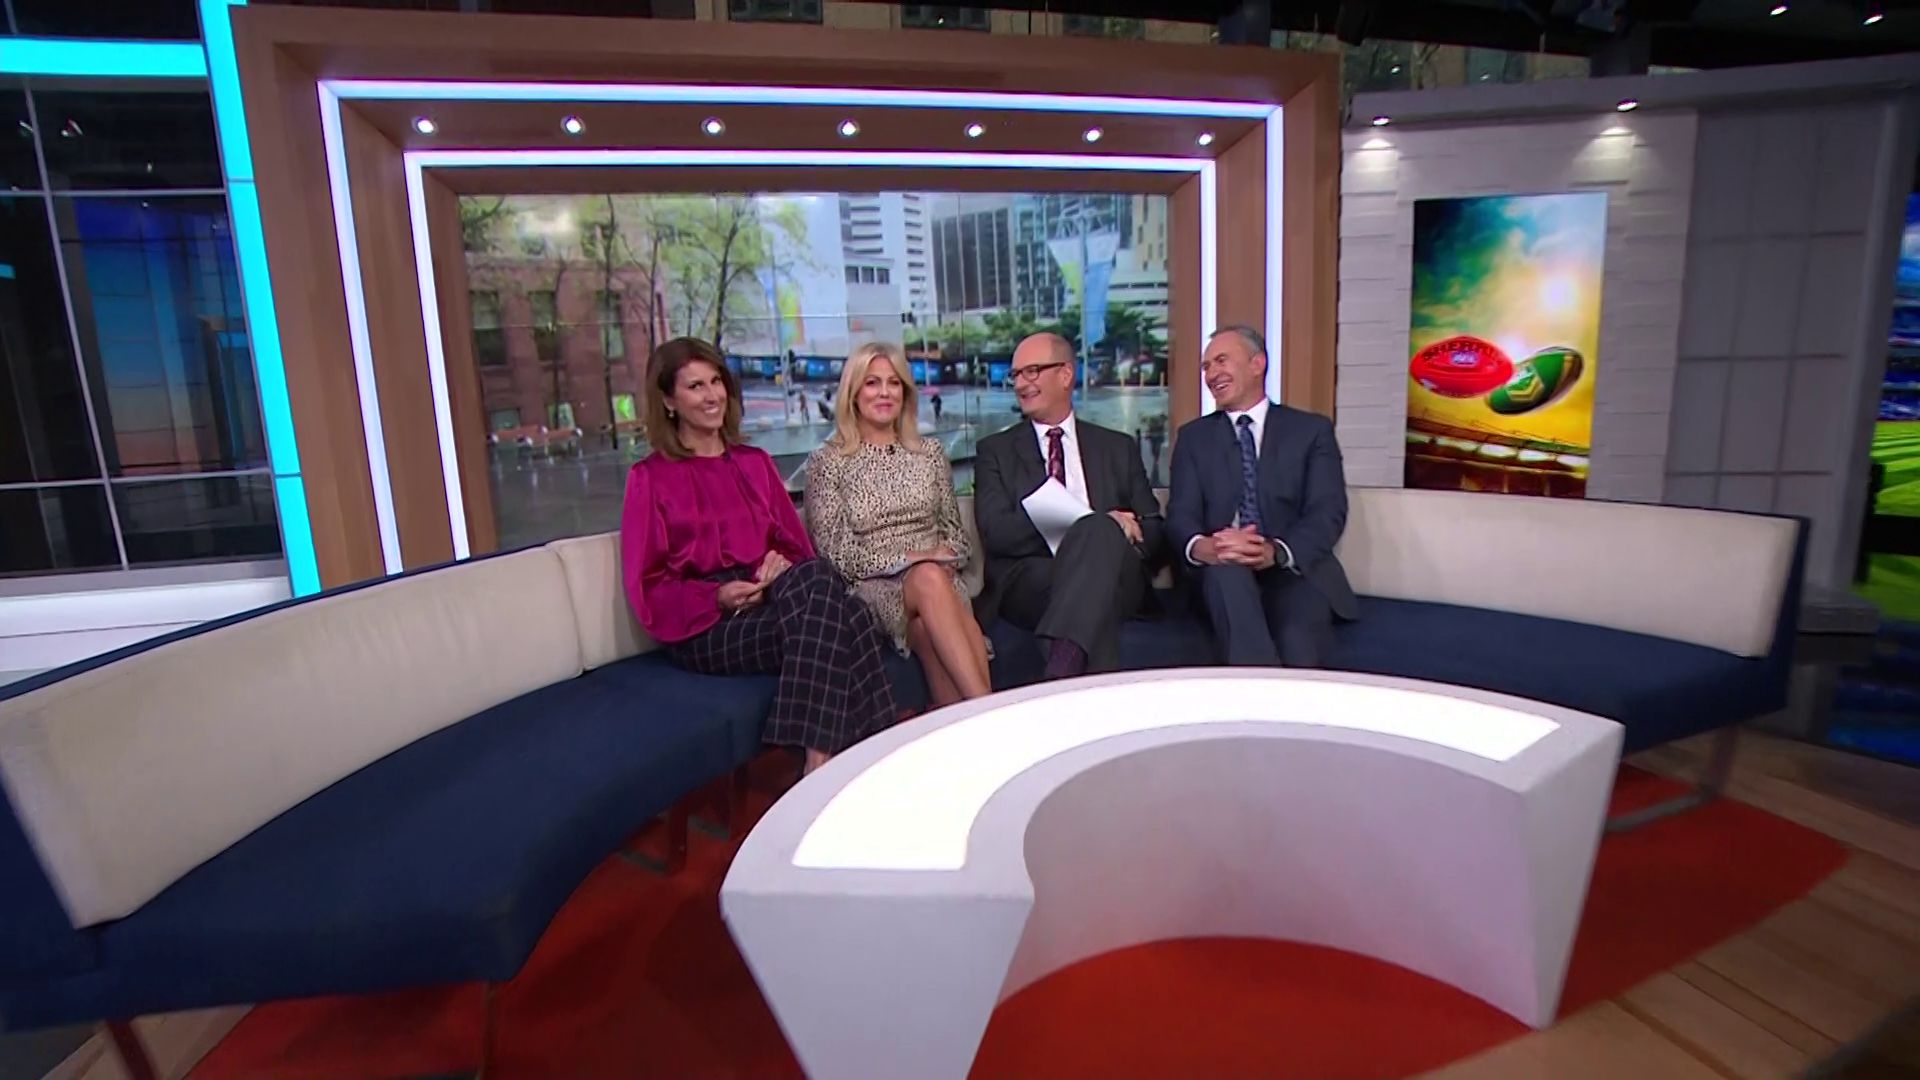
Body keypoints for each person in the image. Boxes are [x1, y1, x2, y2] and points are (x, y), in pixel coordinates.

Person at [620, 337, 897, 774]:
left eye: (716, 382)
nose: (711, 395)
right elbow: (648, 587)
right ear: (669, 401)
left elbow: (798, 550)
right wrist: (716, 596)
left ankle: (819, 762)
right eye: (695, 386)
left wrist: (780, 565)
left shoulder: (754, 463)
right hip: (706, 623)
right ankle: (852, 760)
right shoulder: (649, 478)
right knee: (852, 617)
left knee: (816, 577)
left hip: (774, 597)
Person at [805, 342, 994, 707]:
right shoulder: (828, 462)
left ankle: (968, 725)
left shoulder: (930, 454)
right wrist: (912, 559)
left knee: (926, 620)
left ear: (905, 392)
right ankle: (990, 708)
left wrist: (943, 558)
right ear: (853, 392)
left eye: (894, 383)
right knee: (928, 578)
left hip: (939, 585)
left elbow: (956, 536)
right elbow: (836, 554)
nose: (885, 392)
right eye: (872, 382)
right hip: (873, 587)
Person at [972, 333, 1165, 679]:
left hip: (1117, 576)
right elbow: (997, 532)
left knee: (1099, 545)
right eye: (1016, 375)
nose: (1021, 384)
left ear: (1065, 374)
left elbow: (1153, 531)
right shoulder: (995, 452)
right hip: (1031, 580)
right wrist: (1091, 523)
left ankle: (1062, 672)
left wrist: (1108, 535)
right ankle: (1068, 668)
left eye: (1032, 371)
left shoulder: (1117, 447)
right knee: (1098, 538)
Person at [1168, 325, 1357, 667]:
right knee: (1227, 573)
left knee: (1296, 639)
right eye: (1206, 367)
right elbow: (1181, 515)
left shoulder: (1311, 431)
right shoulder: (1194, 438)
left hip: (1293, 568)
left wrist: (1274, 551)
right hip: (1221, 569)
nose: (1211, 374)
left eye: (1221, 361)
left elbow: (1327, 511)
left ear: (1257, 364)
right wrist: (1206, 546)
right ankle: (1261, 691)